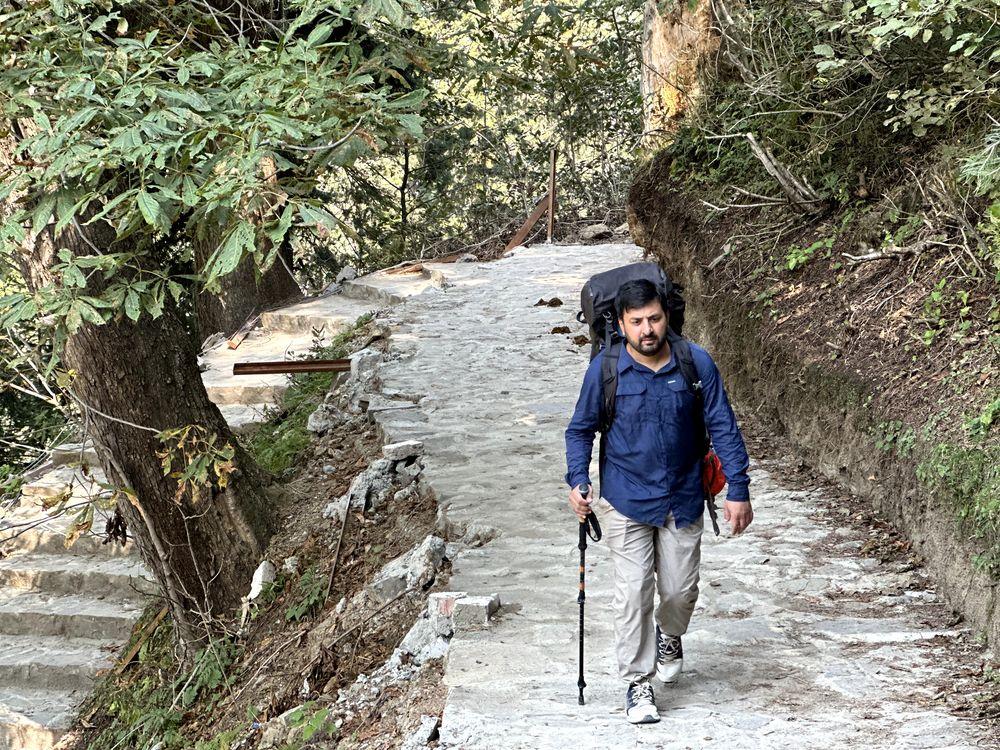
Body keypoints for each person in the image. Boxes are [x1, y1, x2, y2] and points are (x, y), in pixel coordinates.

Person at [564, 278, 753, 724]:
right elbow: (579, 430)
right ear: (622, 325)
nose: (647, 329)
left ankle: (670, 634)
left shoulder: (695, 363)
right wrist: (577, 481)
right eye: (637, 322)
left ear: (666, 316)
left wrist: (738, 489)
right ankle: (638, 684)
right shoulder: (606, 370)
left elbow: (723, 425)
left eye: (654, 318)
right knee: (633, 595)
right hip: (625, 499)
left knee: (679, 591)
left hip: (683, 497)